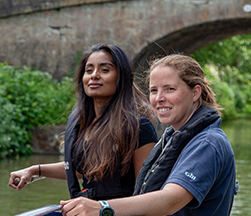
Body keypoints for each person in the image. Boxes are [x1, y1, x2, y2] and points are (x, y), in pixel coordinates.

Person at [61, 54, 236, 216]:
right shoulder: (174, 136)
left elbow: (170, 200)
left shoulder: (208, 143)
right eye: (154, 91)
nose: (159, 98)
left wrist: (102, 209)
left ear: (195, 92)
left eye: (169, 89)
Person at [9, 44, 158, 201]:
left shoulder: (139, 127)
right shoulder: (83, 122)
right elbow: (83, 170)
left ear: (122, 77)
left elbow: (147, 191)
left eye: (104, 70)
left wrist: (103, 211)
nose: (94, 75)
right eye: (89, 70)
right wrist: (34, 170)